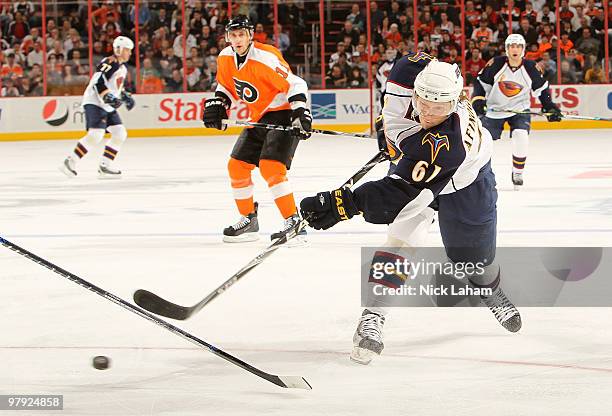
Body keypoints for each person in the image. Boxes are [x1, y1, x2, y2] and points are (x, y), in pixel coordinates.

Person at [300, 55, 522, 365]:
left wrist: (343, 204)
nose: (429, 113)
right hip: (416, 164)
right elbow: (391, 101)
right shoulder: (408, 70)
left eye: (439, 108)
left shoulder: (451, 141)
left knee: (473, 260)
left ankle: (487, 288)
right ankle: (374, 314)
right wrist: (388, 131)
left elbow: (399, 195)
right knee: (402, 241)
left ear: (456, 101)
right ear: (416, 90)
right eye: (424, 103)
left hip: (467, 181)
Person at [202, 15, 312, 244]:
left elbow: (295, 83)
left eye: (242, 34)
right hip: (259, 116)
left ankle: (294, 222)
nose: (238, 39)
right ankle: (249, 220)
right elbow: (226, 85)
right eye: (233, 35)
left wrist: (300, 112)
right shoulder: (225, 58)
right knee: (237, 166)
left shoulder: (266, 57)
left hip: (282, 112)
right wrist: (219, 104)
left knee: (271, 167)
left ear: (250, 35)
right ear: (227, 37)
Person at [471, 34, 562, 189]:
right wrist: (478, 100)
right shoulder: (495, 64)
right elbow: (480, 83)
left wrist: (550, 106)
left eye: (518, 46)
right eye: (512, 46)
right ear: (507, 49)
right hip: (496, 110)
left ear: (523, 49)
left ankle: (517, 172)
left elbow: (542, 90)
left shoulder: (531, 68)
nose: (515, 49)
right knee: (484, 142)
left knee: (521, 136)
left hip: (520, 110)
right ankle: (479, 174)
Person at [59, 36, 135, 179]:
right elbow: (97, 81)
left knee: (120, 133)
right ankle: (70, 162)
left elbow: (114, 86)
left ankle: (104, 166)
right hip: (95, 101)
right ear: (119, 50)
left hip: (106, 105)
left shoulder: (122, 68)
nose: (129, 53)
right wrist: (107, 96)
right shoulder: (109, 62)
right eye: (127, 50)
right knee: (96, 134)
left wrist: (123, 95)